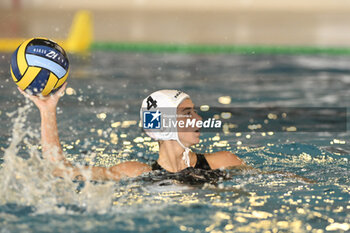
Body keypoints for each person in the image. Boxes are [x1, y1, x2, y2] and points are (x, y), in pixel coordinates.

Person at [18, 84, 245, 182]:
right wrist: (47, 109)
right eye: (187, 113)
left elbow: (274, 177)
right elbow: (60, 170)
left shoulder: (224, 162)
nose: (198, 119)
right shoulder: (135, 172)